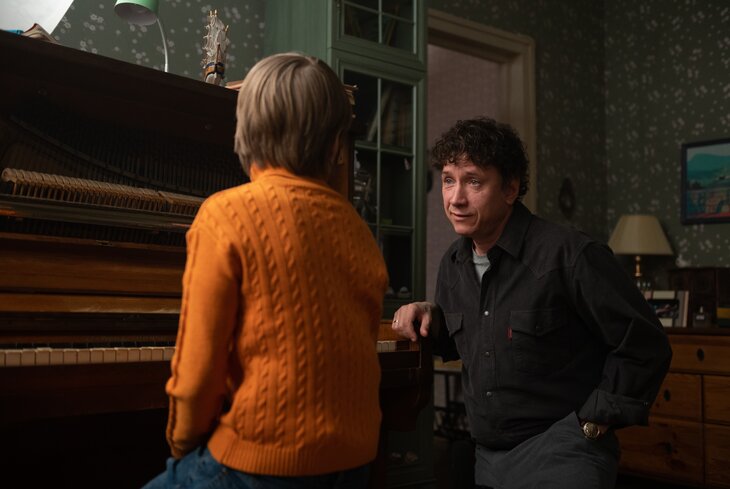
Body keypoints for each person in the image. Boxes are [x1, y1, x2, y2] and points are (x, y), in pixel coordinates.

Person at [143, 53, 388, 489]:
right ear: (336, 144)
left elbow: (196, 378)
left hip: (262, 465)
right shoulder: (358, 230)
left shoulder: (226, 215)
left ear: (246, 129)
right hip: (354, 463)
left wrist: (183, 447)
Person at [391, 117, 672, 489]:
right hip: (487, 459)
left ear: (510, 188)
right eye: (448, 179)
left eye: (473, 181)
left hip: (562, 453)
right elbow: (469, 342)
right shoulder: (453, 265)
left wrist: (592, 423)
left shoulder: (569, 254)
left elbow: (644, 344)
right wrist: (429, 314)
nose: (455, 198)